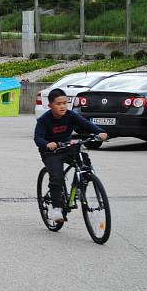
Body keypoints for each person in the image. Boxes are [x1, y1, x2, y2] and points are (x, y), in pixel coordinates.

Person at [34, 88, 107, 223]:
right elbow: (38, 138)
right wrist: (47, 144)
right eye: (58, 103)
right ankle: (56, 209)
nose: (62, 106)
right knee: (57, 177)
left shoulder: (71, 115)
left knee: (85, 163)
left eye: (64, 103)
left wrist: (100, 132)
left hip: (68, 148)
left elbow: (86, 124)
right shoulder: (44, 120)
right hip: (51, 152)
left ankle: (81, 188)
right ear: (50, 105)